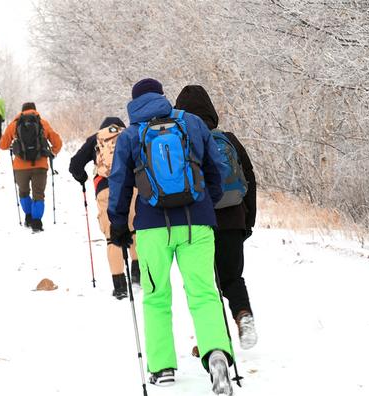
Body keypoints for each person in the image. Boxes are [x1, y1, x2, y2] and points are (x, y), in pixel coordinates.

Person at [108, 78, 234, 395]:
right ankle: (216, 352)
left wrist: (119, 225)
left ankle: (162, 366)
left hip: (152, 228)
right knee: (204, 293)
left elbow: (120, 182)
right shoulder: (190, 123)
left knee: (156, 296)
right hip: (197, 224)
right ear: (162, 96)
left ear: (134, 101)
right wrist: (208, 202)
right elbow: (215, 168)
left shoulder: (130, 135)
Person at [175, 85, 258, 351]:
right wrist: (248, 221)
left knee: (204, 285)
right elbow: (250, 180)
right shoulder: (229, 139)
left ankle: (215, 339)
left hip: (199, 222)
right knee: (232, 277)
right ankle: (243, 314)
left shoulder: (181, 141)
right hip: (234, 218)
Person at [69, 117, 140, 300]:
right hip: (131, 187)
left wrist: (82, 177)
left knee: (112, 237)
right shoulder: (130, 134)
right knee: (134, 230)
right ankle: (138, 276)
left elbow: (75, 164)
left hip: (105, 189)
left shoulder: (95, 139)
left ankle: (120, 287)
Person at [0, 102, 62, 233]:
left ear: (22, 111)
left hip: (20, 166)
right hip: (40, 165)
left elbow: (2, 145)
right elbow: (58, 142)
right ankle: (37, 222)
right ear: (35, 110)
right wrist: (53, 153)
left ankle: (28, 217)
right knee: (38, 194)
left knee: (23, 192)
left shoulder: (14, 124)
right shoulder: (43, 123)